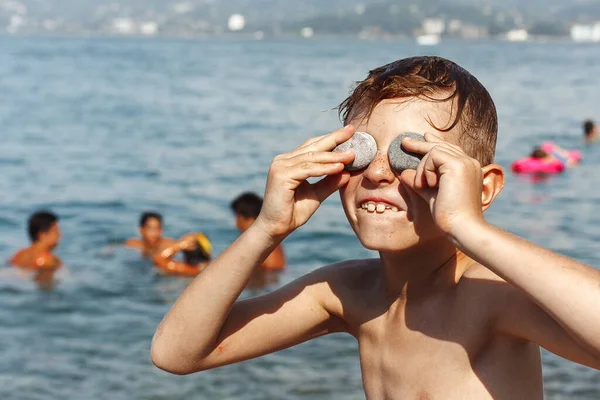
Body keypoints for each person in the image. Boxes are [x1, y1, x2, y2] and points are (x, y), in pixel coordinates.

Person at [151, 56, 600, 398]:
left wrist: (470, 227)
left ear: (483, 188)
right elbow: (176, 353)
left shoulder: (490, 296)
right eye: (361, 153)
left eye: (412, 155)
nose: (379, 174)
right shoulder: (347, 293)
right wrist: (266, 229)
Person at [230, 192, 286, 271]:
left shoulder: (258, 238)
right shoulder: (268, 236)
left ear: (242, 217)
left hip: (266, 279)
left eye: (237, 218)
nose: (236, 224)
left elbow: (271, 269)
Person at [10, 211, 62, 285]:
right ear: (42, 234)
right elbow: (45, 288)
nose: (60, 235)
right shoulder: (47, 260)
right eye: (56, 231)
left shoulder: (18, 255)